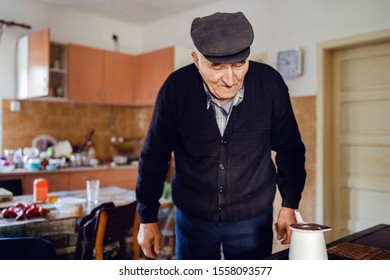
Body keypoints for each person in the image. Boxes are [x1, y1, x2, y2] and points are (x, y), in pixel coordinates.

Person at [136, 11, 306, 260]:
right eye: (217, 66)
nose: (230, 79)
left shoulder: (271, 84)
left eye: (239, 65)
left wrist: (290, 203)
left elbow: (290, 149)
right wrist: (147, 217)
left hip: (252, 218)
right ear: (196, 60)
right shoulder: (175, 89)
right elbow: (154, 157)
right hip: (193, 218)